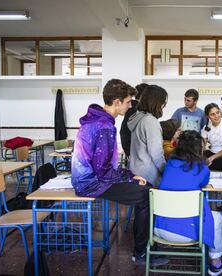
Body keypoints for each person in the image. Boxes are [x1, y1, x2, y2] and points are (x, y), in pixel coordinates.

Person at [71, 79, 167, 266]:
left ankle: (145, 247)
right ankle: (140, 253)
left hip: (90, 179)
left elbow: (106, 166)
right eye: (128, 101)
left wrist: (130, 176)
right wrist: (129, 176)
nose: (131, 105)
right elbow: (104, 172)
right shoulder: (104, 127)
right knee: (147, 195)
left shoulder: (99, 121)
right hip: (90, 184)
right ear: (117, 102)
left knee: (145, 187)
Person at [155, 130, 222, 276]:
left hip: (160, 228)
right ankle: (216, 263)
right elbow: (204, 182)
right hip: (187, 232)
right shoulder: (201, 168)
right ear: (198, 148)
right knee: (217, 218)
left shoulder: (170, 163)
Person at [128, 85, 168, 187]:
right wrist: (166, 171)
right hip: (149, 175)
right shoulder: (150, 121)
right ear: (156, 102)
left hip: (136, 170)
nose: (164, 106)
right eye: (163, 102)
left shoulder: (137, 117)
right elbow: (156, 153)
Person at [120, 83, 149, 157]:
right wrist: (129, 152)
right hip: (135, 153)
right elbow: (124, 130)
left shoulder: (135, 108)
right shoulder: (135, 109)